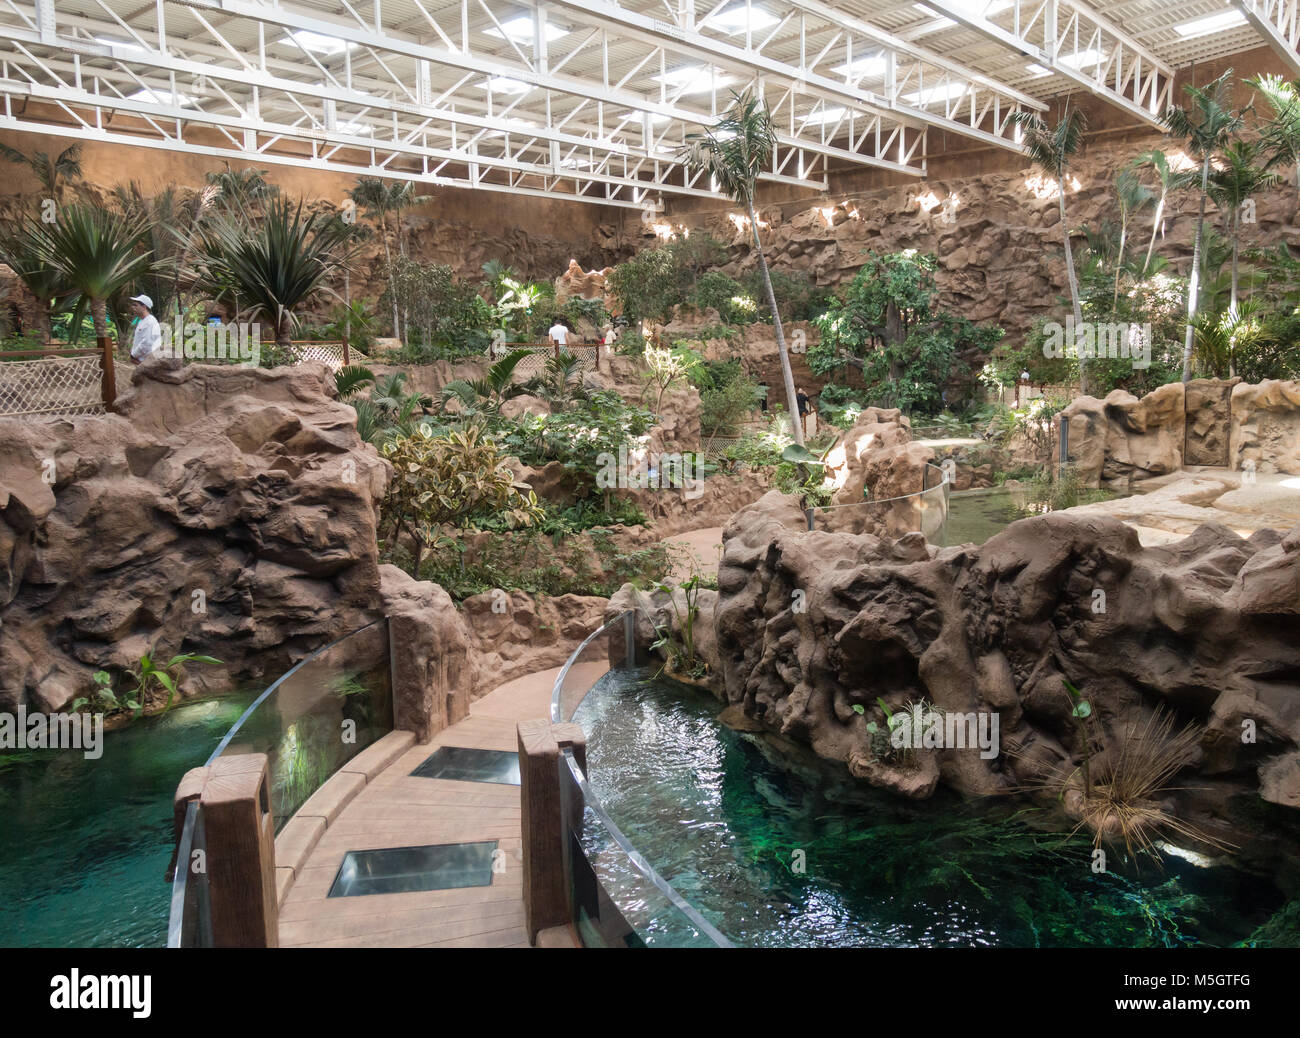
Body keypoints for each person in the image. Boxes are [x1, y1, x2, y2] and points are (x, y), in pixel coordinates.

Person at [128, 294, 161, 364]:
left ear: (143, 307)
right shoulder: (142, 321)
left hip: (148, 362)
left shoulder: (150, 322)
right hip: (143, 361)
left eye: (135, 305)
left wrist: (134, 355)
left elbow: (147, 343)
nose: (133, 307)